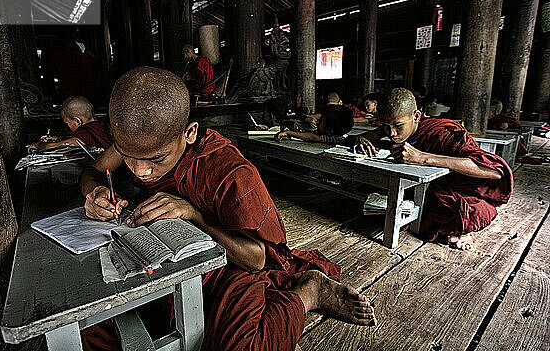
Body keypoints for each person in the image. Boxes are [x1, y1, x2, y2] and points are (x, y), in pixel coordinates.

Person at [79, 67, 375, 351]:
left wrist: (193, 213)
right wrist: (95, 193)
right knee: (90, 328)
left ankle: (309, 292)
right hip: (167, 253)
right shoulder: (136, 142)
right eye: (129, 157)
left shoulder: (229, 172)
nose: (141, 171)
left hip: (231, 262)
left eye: (157, 159)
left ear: (190, 133)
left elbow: (257, 259)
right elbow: (92, 171)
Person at [347, 88, 513, 251]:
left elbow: (495, 171)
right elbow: (359, 138)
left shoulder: (441, 132)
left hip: (452, 186)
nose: (391, 133)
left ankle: (461, 230)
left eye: (398, 126)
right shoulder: (391, 126)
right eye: (385, 126)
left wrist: (423, 158)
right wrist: (360, 140)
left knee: (470, 210)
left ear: (416, 116)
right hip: (418, 186)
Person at [27, 96, 110, 152]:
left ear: (77, 121)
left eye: (67, 123)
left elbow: (67, 143)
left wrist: (38, 145)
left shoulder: (86, 130)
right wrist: (58, 138)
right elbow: (79, 139)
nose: (68, 126)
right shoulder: (100, 126)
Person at [276, 103, 354, 145]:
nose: (317, 121)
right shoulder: (339, 131)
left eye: (321, 122)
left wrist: (288, 132)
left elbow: (312, 137)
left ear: (329, 131)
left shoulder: (336, 138)